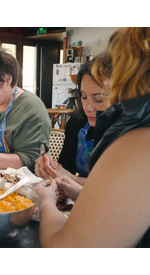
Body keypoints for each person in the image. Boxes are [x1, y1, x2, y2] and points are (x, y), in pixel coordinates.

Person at [34, 27, 150, 247]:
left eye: (100, 98)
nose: (89, 107)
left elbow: (68, 249)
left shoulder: (138, 141)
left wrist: (46, 201)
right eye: (84, 97)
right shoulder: (79, 123)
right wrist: (69, 182)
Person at [34, 60, 111, 200]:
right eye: (84, 96)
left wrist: (67, 177)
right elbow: (66, 166)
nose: (88, 107)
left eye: (98, 100)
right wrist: (50, 167)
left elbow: (113, 187)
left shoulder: (129, 134)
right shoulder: (78, 120)